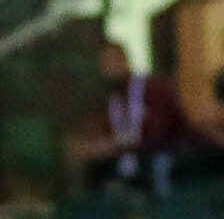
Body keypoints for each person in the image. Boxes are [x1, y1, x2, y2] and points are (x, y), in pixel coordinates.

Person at [79, 40, 217, 194]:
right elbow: (106, 134)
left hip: (171, 158)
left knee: (160, 163)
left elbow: (160, 135)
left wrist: (116, 147)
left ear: (124, 61)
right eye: (105, 65)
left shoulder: (154, 91)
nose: (110, 69)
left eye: (113, 62)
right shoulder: (111, 100)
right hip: (132, 163)